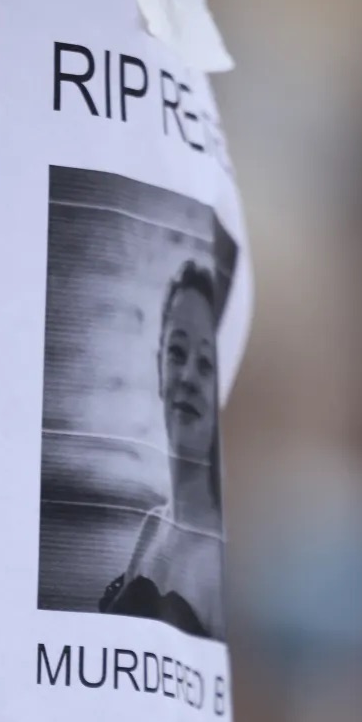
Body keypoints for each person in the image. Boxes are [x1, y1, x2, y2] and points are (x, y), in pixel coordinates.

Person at [100, 259, 226, 639]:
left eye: (206, 364)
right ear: (159, 369)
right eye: (177, 352)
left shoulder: (223, 563)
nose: (187, 377)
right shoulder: (151, 526)